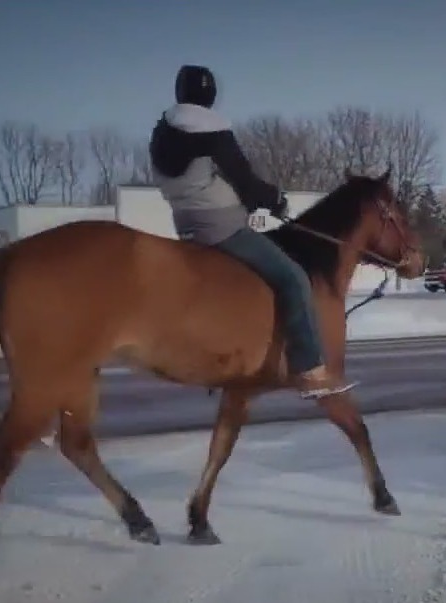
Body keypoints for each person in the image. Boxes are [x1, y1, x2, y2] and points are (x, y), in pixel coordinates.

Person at [148, 64, 354, 400]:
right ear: (211, 95)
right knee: (293, 278)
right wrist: (274, 200)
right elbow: (243, 178)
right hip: (221, 224)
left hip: (184, 221)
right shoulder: (212, 130)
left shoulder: (162, 130)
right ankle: (310, 369)